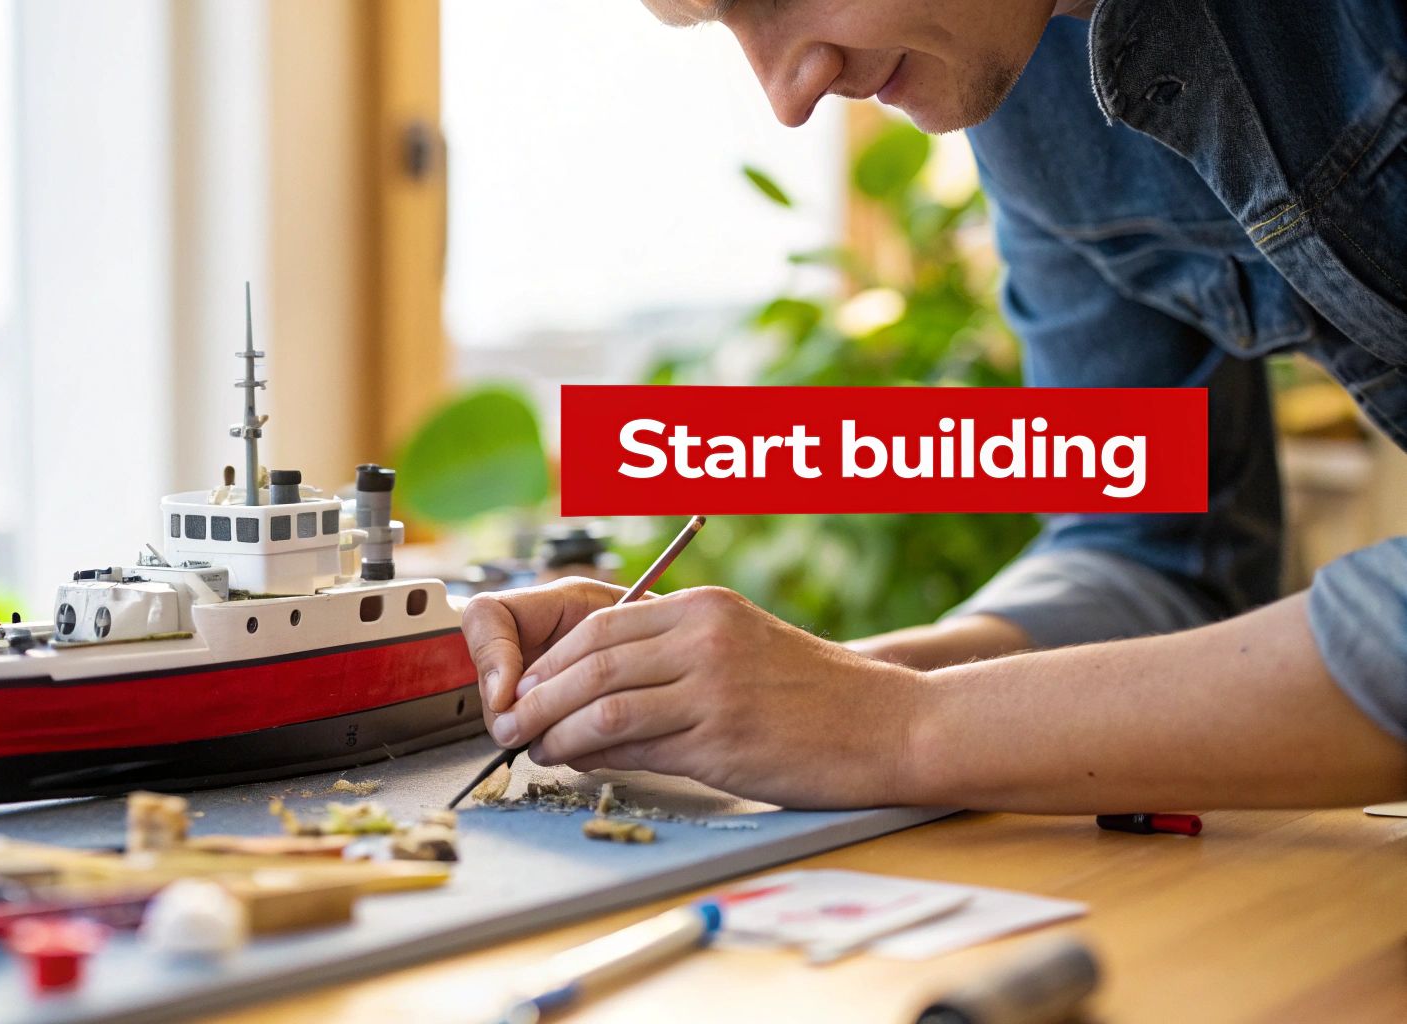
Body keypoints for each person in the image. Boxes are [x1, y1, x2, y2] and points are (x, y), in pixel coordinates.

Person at [461, 0, 1407, 813]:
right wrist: (816, 690)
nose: (789, 96)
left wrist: (899, 730)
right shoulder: (1035, 97)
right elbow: (1149, 558)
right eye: (721, 22)